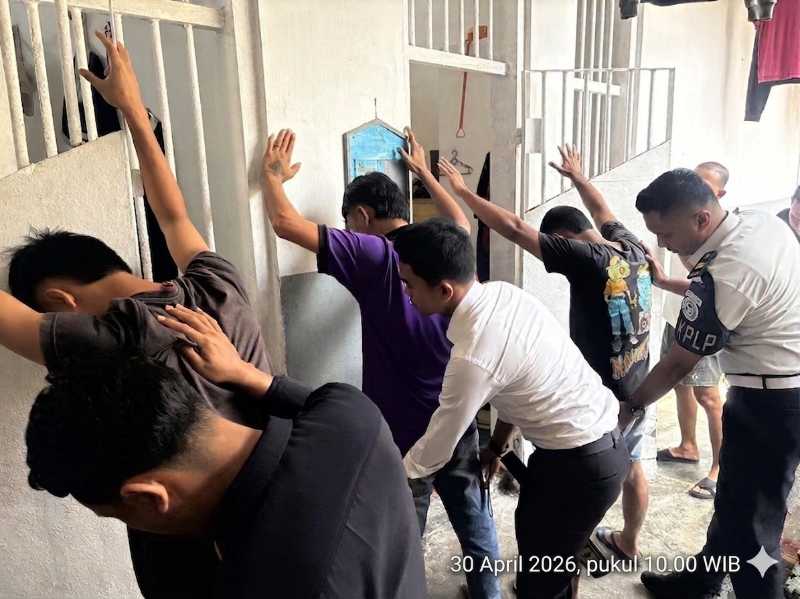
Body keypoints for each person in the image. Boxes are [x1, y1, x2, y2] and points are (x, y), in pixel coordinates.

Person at [0, 32, 271, 598]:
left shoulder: (111, 340)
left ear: (59, 302)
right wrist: (133, 111)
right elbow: (173, 216)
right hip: (271, 496)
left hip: (190, 541)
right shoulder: (217, 282)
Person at [25, 305, 426, 599]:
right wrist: (240, 371)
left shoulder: (249, 583)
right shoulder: (356, 418)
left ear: (148, 497)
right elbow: (310, 401)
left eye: (119, 516)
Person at [261, 128, 501, 598]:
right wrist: (424, 173)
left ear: (362, 216)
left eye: (348, 220)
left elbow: (286, 224)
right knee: (474, 516)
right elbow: (461, 220)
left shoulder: (373, 253)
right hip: (457, 415)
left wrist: (271, 177)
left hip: (405, 431)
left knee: (404, 530)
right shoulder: (443, 247)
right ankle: (488, 592)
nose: (347, 229)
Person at [438, 145, 651, 564]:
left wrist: (463, 191)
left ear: (563, 240)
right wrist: (578, 178)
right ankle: (629, 541)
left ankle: (567, 551)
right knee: (631, 466)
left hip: (595, 400)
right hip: (639, 383)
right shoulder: (630, 247)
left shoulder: (588, 259)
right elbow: (603, 209)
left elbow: (517, 228)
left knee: (566, 502)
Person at [395, 218, 630, 599]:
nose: (406, 293)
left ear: (444, 289)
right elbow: (517, 384)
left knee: (540, 583)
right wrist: (496, 445)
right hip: (592, 450)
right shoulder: (504, 294)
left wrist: (396, 475)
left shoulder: (472, 355)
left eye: (409, 284)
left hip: (579, 467)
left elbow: (438, 445)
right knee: (550, 558)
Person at [618, 169, 800, 599]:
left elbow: (678, 363)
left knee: (755, 528)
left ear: (701, 219)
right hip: (768, 389)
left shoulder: (729, 272)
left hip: (772, 404)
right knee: (734, 501)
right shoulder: (757, 223)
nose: (662, 244)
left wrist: (632, 405)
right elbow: (723, 288)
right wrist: (667, 281)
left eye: (666, 233)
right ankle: (701, 581)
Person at [653, 162, 728, 501]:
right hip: (675, 315)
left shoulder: (716, 234)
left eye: (706, 186)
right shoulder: (676, 215)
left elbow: (702, 280)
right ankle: (688, 446)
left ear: (720, 195)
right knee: (681, 386)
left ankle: (720, 468)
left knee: (708, 396)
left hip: (704, 321)